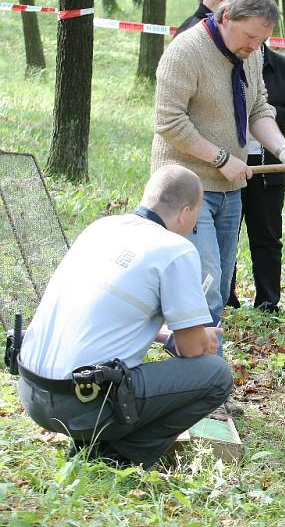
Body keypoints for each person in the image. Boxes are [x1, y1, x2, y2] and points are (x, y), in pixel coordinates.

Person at [16, 165, 233, 469]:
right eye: (195, 217)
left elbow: (103, 312)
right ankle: (116, 457)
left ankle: (93, 444)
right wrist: (205, 338)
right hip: (79, 403)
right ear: (185, 212)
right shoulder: (175, 249)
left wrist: (164, 336)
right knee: (216, 374)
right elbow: (195, 348)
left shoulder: (101, 228)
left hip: (31, 391)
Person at [151, 0, 285, 352]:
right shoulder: (186, 50)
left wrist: (283, 149)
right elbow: (169, 122)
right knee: (205, 283)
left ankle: (191, 360)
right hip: (186, 188)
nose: (255, 45)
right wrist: (221, 159)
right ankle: (205, 380)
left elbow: (259, 108)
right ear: (226, 17)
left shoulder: (253, 54)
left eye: (262, 39)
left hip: (230, 190)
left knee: (221, 285)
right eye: (250, 36)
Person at [227, 44, 285, 311]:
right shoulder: (227, 58)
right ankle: (227, 297)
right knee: (228, 234)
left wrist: (268, 112)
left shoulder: (282, 65)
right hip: (231, 162)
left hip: (269, 164)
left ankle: (267, 301)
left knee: (267, 235)